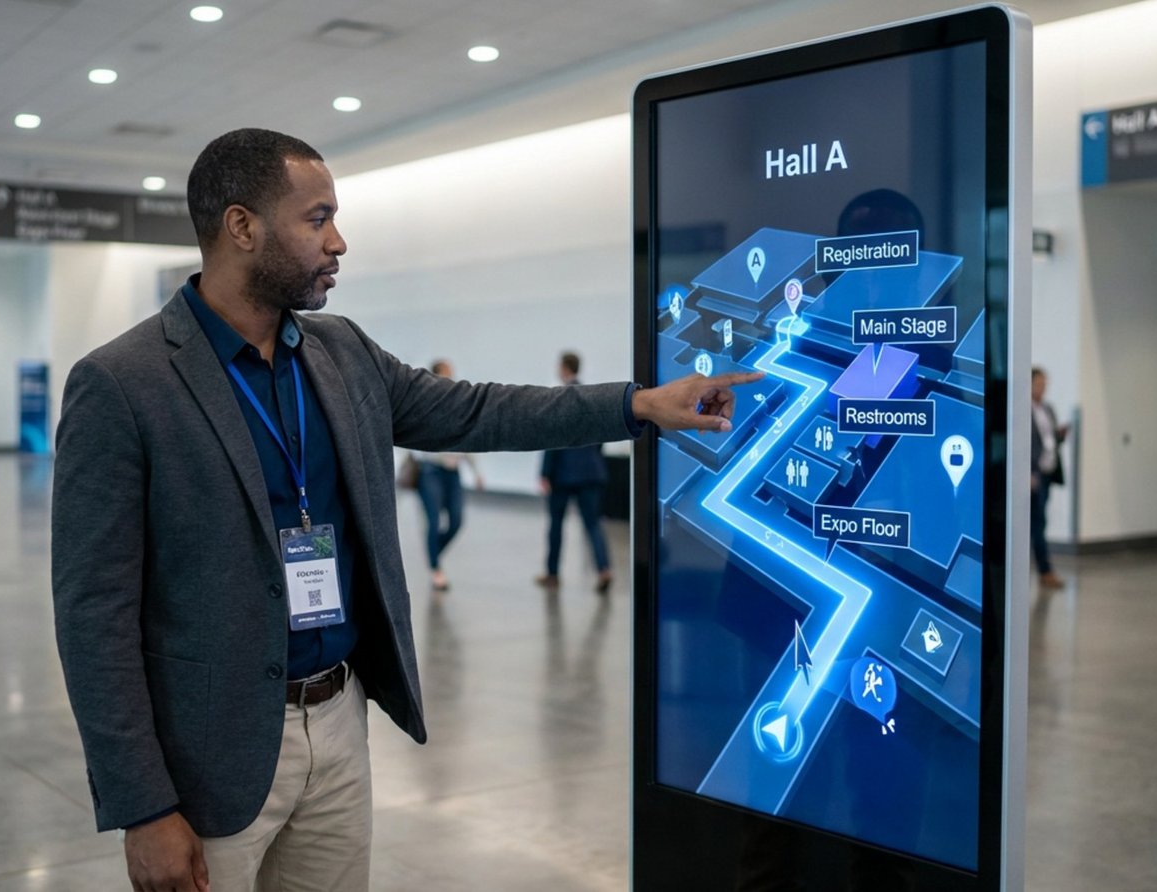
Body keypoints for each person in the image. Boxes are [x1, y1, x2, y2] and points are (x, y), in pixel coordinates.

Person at [50, 127, 759, 892]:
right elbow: (94, 614)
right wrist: (144, 805)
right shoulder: (122, 384)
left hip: (339, 723)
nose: (339, 241)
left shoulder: (340, 352)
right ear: (242, 227)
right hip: (209, 758)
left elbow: (478, 411)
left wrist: (639, 405)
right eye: (316, 219)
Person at [535, 351, 613, 595]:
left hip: (563, 475)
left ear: (564, 368)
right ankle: (604, 570)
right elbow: (601, 437)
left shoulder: (559, 398)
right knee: (593, 524)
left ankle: (553, 574)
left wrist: (545, 473)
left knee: (556, 525)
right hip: (591, 472)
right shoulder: (591, 397)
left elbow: (553, 440)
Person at [413, 359, 482, 593]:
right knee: (433, 521)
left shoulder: (459, 402)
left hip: (453, 472)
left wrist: (476, 472)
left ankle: (434, 553)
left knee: (456, 521)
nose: (451, 378)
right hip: (431, 470)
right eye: (447, 373)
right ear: (435, 376)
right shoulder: (426, 404)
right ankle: (435, 568)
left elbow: (468, 439)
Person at [1031, 366, 1068, 590]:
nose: (1043, 388)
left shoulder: (1048, 409)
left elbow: (1049, 440)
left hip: (1047, 474)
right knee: (1037, 523)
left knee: (1040, 522)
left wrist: (1059, 436)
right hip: (1032, 475)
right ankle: (1045, 569)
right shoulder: (1022, 409)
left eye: (1045, 384)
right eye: (1040, 383)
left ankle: (1044, 569)